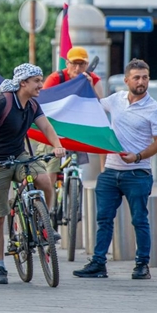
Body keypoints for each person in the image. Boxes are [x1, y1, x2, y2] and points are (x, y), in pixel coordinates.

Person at [0, 63, 65, 285]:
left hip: (20, 156)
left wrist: (57, 145)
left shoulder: (32, 105)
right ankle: (0, 266)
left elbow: (46, 127)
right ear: (23, 83)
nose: (41, 85)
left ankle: (45, 223)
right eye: (36, 81)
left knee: (44, 180)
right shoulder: (1, 103)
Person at [74, 59, 157, 280]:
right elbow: (94, 106)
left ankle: (142, 265)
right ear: (126, 80)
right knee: (103, 219)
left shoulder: (155, 109)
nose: (141, 82)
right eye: (137, 77)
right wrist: (84, 84)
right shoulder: (116, 99)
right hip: (111, 171)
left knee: (139, 220)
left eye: (145, 77)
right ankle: (98, 263)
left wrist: (138, 156)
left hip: (137, 172)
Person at [38, 46, 102, 200]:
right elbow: (42, 102)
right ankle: (47, 210)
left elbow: (100, 105)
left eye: (82, 64)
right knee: (51, 171)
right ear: (67, 64)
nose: (77, 68)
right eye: (74, 64)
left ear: (87, 65)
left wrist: (90, 86)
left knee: (76, 163)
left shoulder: (92, 78)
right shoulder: (56, 78)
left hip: (77, 129)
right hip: (55, 129)